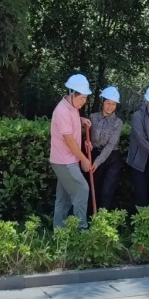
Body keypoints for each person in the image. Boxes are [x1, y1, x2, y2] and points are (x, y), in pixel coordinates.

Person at [50, 73, 92, 229]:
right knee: (82, 189)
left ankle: (59, 231)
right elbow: (69, 141)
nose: (84, 101)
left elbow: (69, 122)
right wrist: (84, 159)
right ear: (72, 93)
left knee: (64, 198)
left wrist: (81, 120)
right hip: (64, 161)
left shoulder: (72, 107)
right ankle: (81, 229)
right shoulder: (62, 111)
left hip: (67, 159)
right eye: (82, 98)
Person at [88, 86, 123, 211]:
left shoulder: (118, 122)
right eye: (108, 103)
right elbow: (88, 137)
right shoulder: (93, 117)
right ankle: (91, 215)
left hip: (111, 158)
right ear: (103, 102)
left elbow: (110, 145)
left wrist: (97, 162)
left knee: (107, 190)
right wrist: (88, 143)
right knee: (93, 187)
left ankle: (103, 216)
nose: (110, 106)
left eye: (113, 104)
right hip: (94, 154)